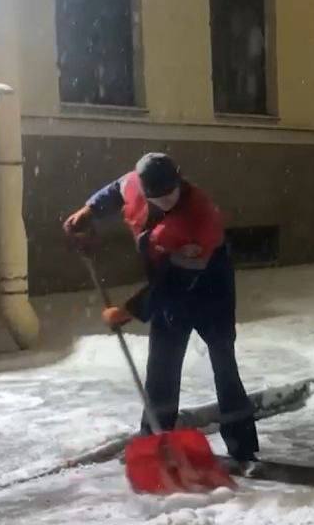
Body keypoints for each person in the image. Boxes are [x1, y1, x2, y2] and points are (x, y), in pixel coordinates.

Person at [63, 152, 259, 466]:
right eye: (157, 196)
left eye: (170, 193)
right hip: (168, 275)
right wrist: (90, 211)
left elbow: (175, 286)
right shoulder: (135, 187)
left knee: (223, 362)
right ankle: (154, 441)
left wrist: (126, 311)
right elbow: (117, 188)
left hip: (209, 286)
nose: (166, 200)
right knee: (162, 366)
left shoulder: (200, 218)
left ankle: (242, 444)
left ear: (179, 179)